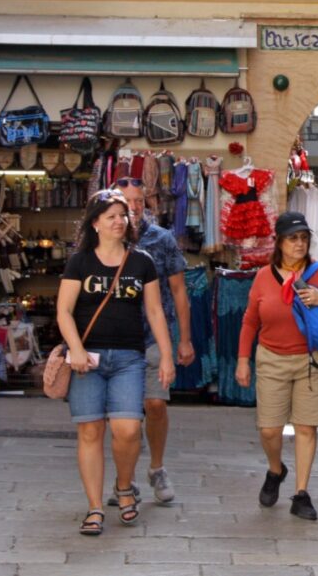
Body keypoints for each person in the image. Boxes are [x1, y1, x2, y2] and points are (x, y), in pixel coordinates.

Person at [56, 190, 175, 535]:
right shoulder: (80, 262)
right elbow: (63, 310)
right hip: (87, 359)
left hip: (129, 358)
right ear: (95, 223)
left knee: (127, 430)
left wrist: (166, 355)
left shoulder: (142, 262)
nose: (119, 221)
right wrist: (75, 349)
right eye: (111, 216)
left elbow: (154, 311)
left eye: (123, 215)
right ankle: (94, 507)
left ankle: (124, 487)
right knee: (90, 431)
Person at [235, 212, 318, 521]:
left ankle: (301, 493)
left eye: (303, 238)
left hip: (313, 361)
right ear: (280, 242)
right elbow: (250, 321)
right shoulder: (262, 277)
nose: (299, 244)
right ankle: (276, 469)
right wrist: (243, 360)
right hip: (272, 358)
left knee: (305, 426)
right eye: (292, 238)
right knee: (270, 429)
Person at [106, 177, 195, 506]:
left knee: (155, 404)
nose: (135, 206)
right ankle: (123, 480)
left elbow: (179, 291)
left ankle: (156, 468)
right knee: (123, 416)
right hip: (116, 339)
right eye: (128, 200)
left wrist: (184, 339)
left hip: (154, 337)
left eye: (140, 200)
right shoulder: (102, 237)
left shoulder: (161, 239)